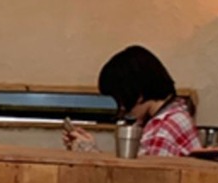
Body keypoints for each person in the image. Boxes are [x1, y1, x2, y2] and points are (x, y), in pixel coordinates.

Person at [62, 45, 201, 157]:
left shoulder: (163, 132)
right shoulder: (175, 113)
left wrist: (91, 155)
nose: (122, 108)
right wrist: (91, 152)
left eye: (121, 99)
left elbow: (138, 181)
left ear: (138, 94)